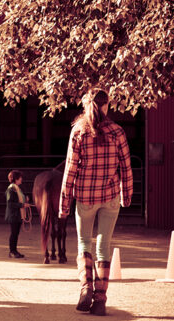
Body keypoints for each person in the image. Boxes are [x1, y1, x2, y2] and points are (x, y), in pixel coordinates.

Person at [59, 88, 133, 316]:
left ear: (85, 106)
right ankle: (100, 300)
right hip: (110, 196)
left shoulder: (78, 131)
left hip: (85, 197)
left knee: (84, 244)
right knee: (103, 247)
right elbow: (126, 165)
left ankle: (85, 289)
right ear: (106, 105)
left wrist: (64, 203)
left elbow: (70, 169)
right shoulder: (117, 131)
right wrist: (126, 194)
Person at [5, 170, 30, 258]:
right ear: (16, 179)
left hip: (17, 215)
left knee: (15, 234)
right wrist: (22, 205)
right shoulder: (11, 189)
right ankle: (12, 251)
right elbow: (10, 203)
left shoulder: (17, 188)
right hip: (14, 215)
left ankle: (14, 251)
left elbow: (18, 200)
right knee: (14, 233)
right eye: (20, 177)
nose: (21, 179)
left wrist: (25, 200)